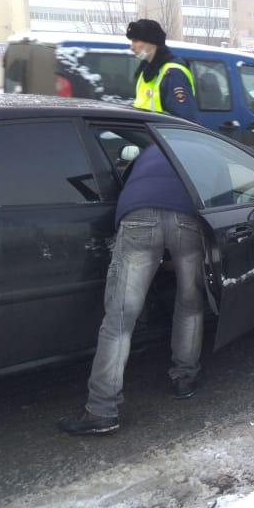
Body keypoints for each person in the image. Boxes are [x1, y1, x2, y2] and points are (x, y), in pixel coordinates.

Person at [59, 143, 206, 435]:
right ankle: (184, 379)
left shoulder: (147, 150)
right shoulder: (198, 148)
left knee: (120, 320)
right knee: (190, 303)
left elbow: (121, 186)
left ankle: (102, 410)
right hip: (187, 219)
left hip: (139, 217)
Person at [126, 18, 199, 122]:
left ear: (152, 42)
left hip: (164, 137)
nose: (132, 47)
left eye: (136, 41)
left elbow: (184, 122)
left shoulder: (173, 73)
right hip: (149, 136)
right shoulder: (145, 72)